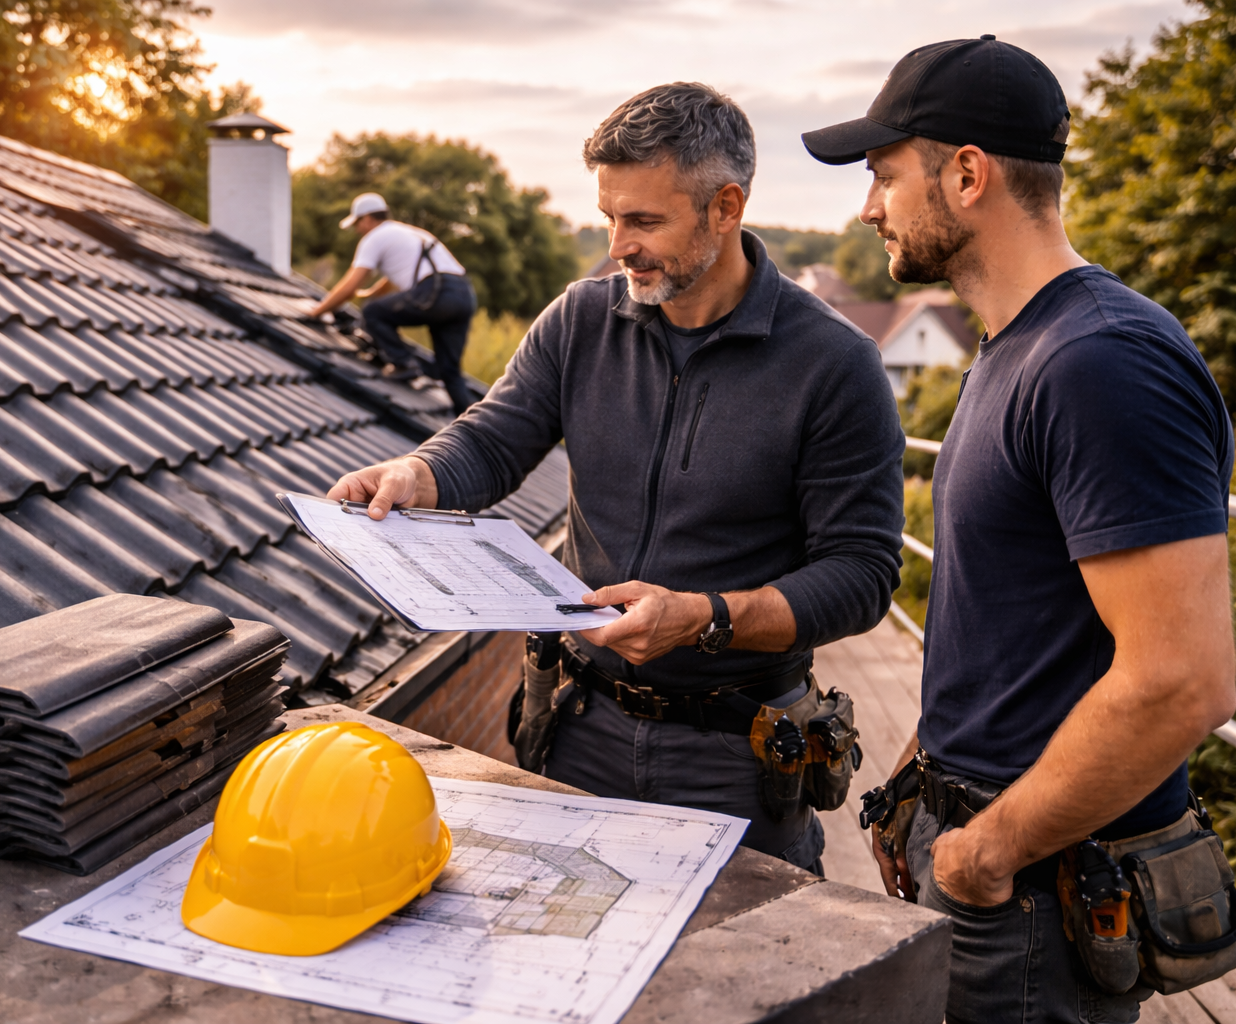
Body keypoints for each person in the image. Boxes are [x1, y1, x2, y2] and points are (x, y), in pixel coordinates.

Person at [328, 83, 905, 871]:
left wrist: (706, 616)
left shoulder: (837, 365)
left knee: (730, 976)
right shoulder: (579, 318)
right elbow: (495, 438)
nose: (618, 245)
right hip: (574, 723)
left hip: (738, 754)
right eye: (609, 217)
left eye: (643, 221)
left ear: (725, 207)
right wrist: (416, 472)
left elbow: (863, 573)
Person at [804, 36, 1236, 1023]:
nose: (869, 207)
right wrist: (919, 774)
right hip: (985, 861)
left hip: (1034, 891)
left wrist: (982, 849)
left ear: (966, 175)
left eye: (882, 176)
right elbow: (1010, 617)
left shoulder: (1100, 362)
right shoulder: (1017, 350)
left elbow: (1184, 678)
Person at [308, 193, 478, 416]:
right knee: (449, 371)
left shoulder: (374, 237)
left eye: (358, 223)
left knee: (372, 312)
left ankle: (403, 363)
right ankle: (473, 427)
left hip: (437, 292)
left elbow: (350, 285)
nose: (358, 229)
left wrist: (317, 311)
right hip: (463, 295)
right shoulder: (407, 232)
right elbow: (393, 277)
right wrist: (371, 293)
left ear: (367, 218)